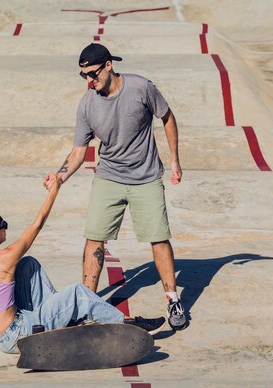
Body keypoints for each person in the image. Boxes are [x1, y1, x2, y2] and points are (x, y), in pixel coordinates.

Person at [43, 43, 187, 330]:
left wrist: (174, 161)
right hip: (108, 177)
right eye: (83, 75)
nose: (89, 81)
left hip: (145, 177)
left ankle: (173, 299)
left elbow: (167, 117)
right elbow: (78, 152)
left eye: (93, 74)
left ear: (108, 65)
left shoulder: (141, 88)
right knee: (94, 239)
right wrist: (59, 176)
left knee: (158, 238)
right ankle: (87, 303)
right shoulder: (87, 103)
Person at [0, 173, 165, 354]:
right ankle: (126, 326)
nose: (6, 230)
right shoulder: (4, 258)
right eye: (3, 226)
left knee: (28, 265)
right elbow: (37, 224)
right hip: (18, 334)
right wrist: (54, 190)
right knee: (78, 292)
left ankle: (62, 319)